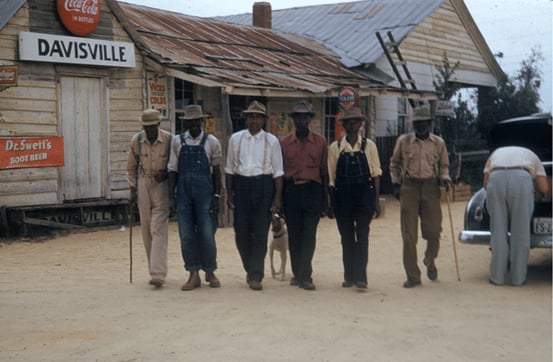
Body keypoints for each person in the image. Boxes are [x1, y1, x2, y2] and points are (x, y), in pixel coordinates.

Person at [389, 104, 452, 288]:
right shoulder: (404, 141)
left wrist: (445, 178)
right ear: (413, 124)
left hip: (431, 187)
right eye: (417, 123)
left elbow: (444, 166)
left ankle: (430, 261)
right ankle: (413, 275)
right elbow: (394, 164)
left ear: (430, 123)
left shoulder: (438, 143)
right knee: (408, 235)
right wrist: (395, 184)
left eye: (424, 122)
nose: (421, 126)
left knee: (433, 232)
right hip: (409, 187)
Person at [225, 100, 284, 291]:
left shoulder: (272, 141)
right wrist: (230, 194)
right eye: (251, 117)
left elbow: (278, 172)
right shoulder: (236, 139)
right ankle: (250, 269)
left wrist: (277, 199)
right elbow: (229, 169)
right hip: (241, 186)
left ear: (263, 120)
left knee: (260, 233)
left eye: (258, 117)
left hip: (263, 186)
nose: (254, 121)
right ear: (246, 119)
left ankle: (256, 275)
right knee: (241, 232)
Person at [168, 105, 223, 291]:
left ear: (202, 121)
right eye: (190, 121)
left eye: (197, 121)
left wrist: (217, 195)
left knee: (207, 234)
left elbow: (216, 172)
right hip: (183, 194)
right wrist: (171, 197)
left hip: (205, 195)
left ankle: (210, 270)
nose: (194, 124)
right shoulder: (177, 141)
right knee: (186, 235)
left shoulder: (212, 142)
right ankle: (193, 273)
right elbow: (172, 170)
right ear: (186, 123)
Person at [328, 107, 381, 290]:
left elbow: (375, 174)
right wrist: (332, 203)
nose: (352, 125)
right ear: (343, 125)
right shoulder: (335, 148)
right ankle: (348, 275)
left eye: (355, 122)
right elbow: (331, 178)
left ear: (360, 124)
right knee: (347, 237)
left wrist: (376, 201)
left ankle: (361, 277)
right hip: (342, 196)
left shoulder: (369, 146)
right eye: (348, 122)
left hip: (364, 195)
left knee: (363, 235)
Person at [483, 146, 549, 286]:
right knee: (520, 232)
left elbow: (485, 184)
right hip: (521, 179)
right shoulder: (533, 155)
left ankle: (497, 277)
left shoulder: (496, 153)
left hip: (495, 179)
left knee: (498, 232)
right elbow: (544, 188)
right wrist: (537, 193)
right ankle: (518, 279)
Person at [280, 101, 328, 290]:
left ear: (310, 120)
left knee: (309, 234)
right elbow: (281, 172)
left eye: (305, 117)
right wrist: (280, 199)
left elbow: (324, 171)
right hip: (291, 191)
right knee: (294, 234)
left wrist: (325, 199)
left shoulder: (321, 142)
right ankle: (296, 272)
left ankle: (306, 275)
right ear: (293, 120)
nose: (301, 120)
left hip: (312, 190)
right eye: (298, 117)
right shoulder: (284, 143)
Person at [127, 109, 173, 288]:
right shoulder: (136, 141)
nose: (150, 130)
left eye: (152, 127)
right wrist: (132, 189)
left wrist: (167, 174)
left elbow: (175, 166)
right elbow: (130, 168)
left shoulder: (170, 140)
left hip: (161, 185)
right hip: (143, 182)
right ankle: (152, 269)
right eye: (146, 127)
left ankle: (158, 274)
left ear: (158, 125)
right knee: (146, 228)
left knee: (158, 228)